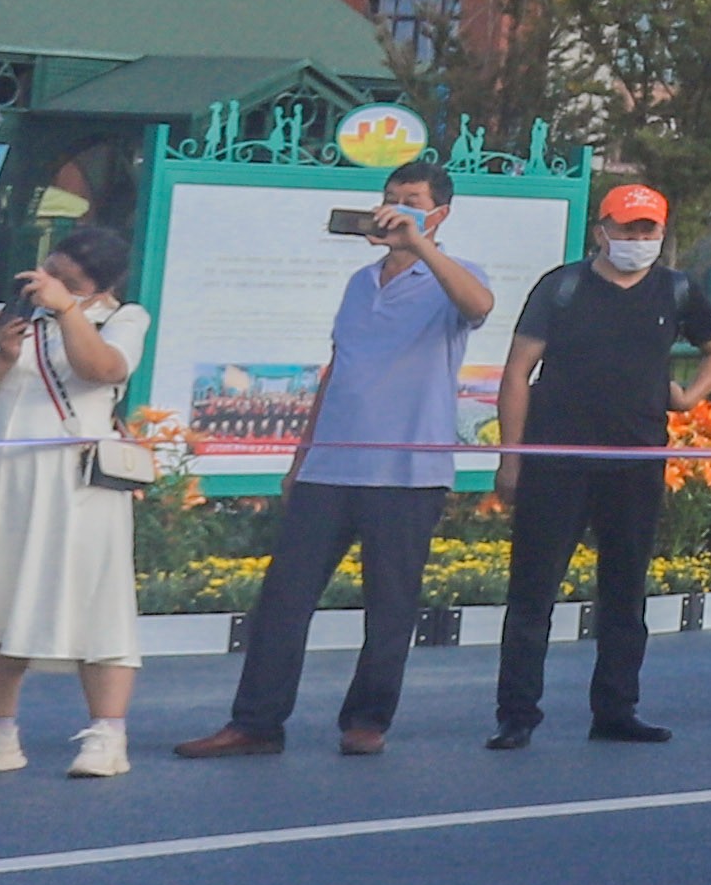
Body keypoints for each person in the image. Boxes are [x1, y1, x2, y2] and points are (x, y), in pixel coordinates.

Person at [178, 164, 492, 760]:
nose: (396, 209)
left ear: (440, 214)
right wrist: (301, 455)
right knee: (283, 600)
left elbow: (479, 305)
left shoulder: (456, 276)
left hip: (406, 471)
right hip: (330, 464)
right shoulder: (358, 282)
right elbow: (337, 368)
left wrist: (418, 243)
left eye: (413, 202)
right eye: (391, 199)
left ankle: (367, 720)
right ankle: (257, 722)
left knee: (390, 605)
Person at [487, 180, 711, 750]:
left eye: (648, 229)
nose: (637, 238)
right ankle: (517, 713)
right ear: (603, 230)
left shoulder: (676, 290)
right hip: (556, 459)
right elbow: (517, 371)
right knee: (532, 593)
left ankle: (616, 710)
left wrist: (691, 396)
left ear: (661, 234)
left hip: (635, 461)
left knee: (625, 593)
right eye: (626, 228)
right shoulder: (563, 287)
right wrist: (511, 455)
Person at [0, 222, 168, 777]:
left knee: (96, 600)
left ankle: (107, 737)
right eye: (49, 270)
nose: (48, 283)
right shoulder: (2, 317)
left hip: (76, 481)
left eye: (67, 279)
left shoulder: (123, 318)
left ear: (98, 289)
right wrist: (3, 355)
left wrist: (68, 313)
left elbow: (103, 370)